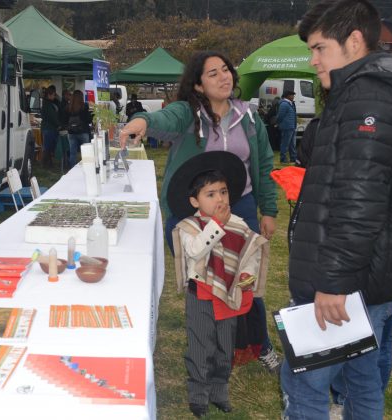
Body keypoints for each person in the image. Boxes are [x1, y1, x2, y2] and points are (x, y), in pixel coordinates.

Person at [282, 1, 392, 418]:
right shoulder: (380, 91)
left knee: (305, 381)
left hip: (352, 283)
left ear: (354, 40)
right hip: (377, 273)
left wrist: (334, 283)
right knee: (361, 375)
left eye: (319, 48)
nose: (313, 60)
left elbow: (359, 201)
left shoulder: (367, 97)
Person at [119, 51, 282, 374]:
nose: (224, 77)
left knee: (243, 281)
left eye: (226, 70)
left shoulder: (248, 117)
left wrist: (269, 210)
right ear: (197, 84)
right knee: (203, 287)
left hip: (242, 207)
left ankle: (258, 345)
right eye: (213, 73)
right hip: (193, 215)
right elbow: (163, 120)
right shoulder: (188, 113)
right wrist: (142, 121)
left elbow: (263, 163)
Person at [168, 151, 269, 417]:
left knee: (225, 348)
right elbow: (195, 252)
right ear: (194, 200)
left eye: (223, 192)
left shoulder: (238, 224)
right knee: (202, 347)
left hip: (229, 296)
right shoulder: (189, 227)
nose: (219, 199)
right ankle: (198, 396)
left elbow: (251, 251)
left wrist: (248, 274)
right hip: (201, 295)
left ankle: (219, 392)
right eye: (210, 194)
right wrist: (216, 225)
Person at [65, 90, 92, 169]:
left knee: (72, 153)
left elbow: (64, 120)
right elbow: (89, 119)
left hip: (71, 132)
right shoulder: (85, 106)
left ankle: (72, 169)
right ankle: (86, 168)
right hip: (83, 132)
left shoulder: (68, 107)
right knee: (86, 152)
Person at [40, 85, 60, 168]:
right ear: (49, 95)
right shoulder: (48, 105)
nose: (54, 96)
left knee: (48, 147)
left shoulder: (48, 103)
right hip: (49, 128)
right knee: (47, 147)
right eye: (53, 95)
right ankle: (45, 164)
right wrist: (59, 125)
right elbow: (53, 117)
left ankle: (48, 163)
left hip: (48, 128)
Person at [276, 90, 298, 164]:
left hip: (291, 126)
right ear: (287, 96)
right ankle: (283, 159)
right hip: (287, 127)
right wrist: (278, 123)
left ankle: (293, 158)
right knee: (285, 144)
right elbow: (280, 116)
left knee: (292, 144)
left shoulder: (290, 104)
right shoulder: (284, 104)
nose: (293, 96)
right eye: (292, 95)